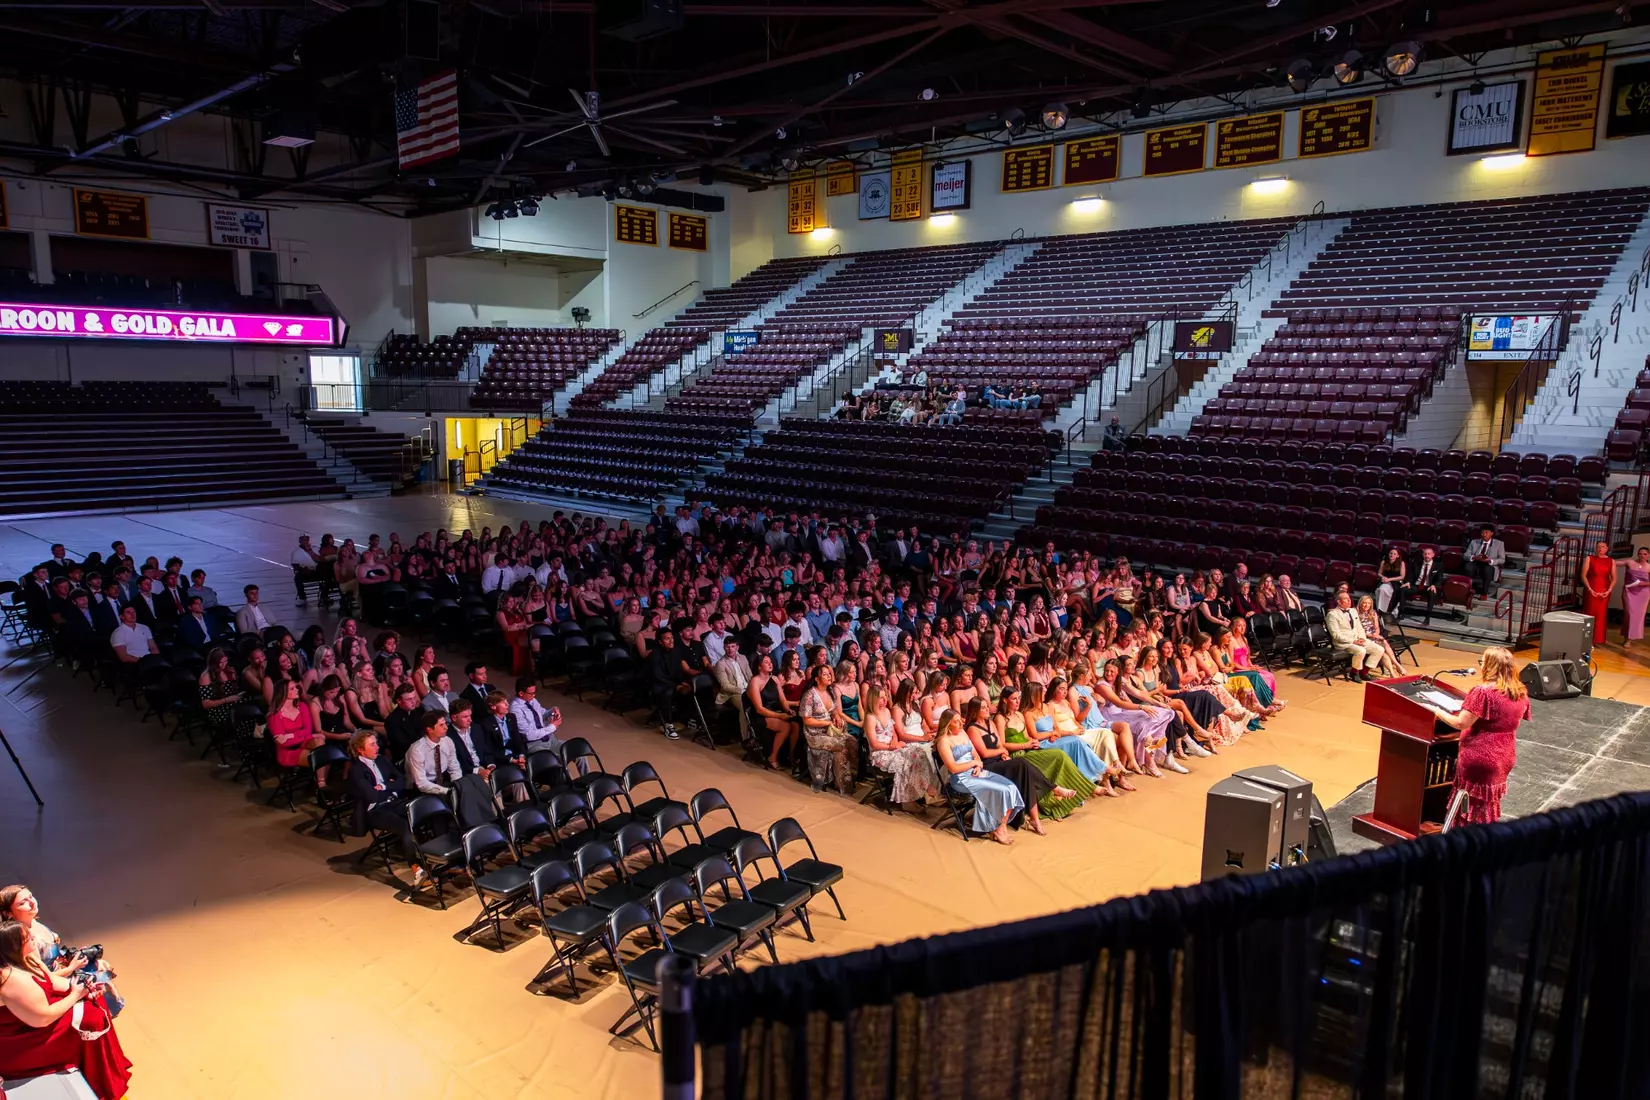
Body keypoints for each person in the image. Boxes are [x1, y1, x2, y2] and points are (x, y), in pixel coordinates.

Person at [0, 921, 132, 1100]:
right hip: (25, 1035)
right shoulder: (11, 979)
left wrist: (86, 988)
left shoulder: (29, 957)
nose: (32, 937)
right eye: (26, 938)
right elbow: (42, 1018)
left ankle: (109, 1071)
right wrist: (76, 995)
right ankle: (102, 1084)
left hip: (39, 1013)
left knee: (96, 1000)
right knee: (91, 1020)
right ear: (15, 946)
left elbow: (51, 982)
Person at [1423, 647, 1530, 825]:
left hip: (1480, 754)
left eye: (1482, 662)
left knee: (1467, 802)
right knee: (1486, 803)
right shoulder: (1519, 691)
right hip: (1504, 754)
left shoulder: (1483, 692)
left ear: (1490, 666)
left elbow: (1461, 723)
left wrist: (1437, 711)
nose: (1481, 666)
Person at [935, 708, 1024, 845]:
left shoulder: (963, 733)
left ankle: (1001, 825)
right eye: (956, 722)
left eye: (960, 720)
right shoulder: (944, 741)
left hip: (975, 771)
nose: (961, 724)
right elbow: (953, 768)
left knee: (1010, 786)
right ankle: (998, 828)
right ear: (947, 724)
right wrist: (972, 763)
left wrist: (977, 765)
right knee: (1002, 790)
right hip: (961, 778)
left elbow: (976, 754)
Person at [863, 684, 941, 811]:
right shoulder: (870, 718)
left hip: (893, 748)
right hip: (881, 752)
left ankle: (921, 791)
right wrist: (891, 746)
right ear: (874, 699)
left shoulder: (887, 712)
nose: (885, 700)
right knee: (909, 760)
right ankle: (919, 793)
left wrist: (895, 741)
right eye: (881, 698)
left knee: (918, 753)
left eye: (885, 697)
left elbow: (894, 733)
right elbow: (874, 744)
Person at [798, 664, 858, 794]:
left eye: (829, 674)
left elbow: (834, 710)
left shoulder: (830, 692)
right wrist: (826, 723)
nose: (829, 676)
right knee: (841, 745)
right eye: (825, 674)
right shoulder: (810, 695)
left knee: (851, 741)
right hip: (814, 733)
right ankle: (842, 784)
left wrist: (836, 717)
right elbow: (806, 719)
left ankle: (844, 780)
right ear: (816, 678)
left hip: (829, 730)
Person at [1325, 592, 1385, 682]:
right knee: (1361, 650)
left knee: (1379, 649)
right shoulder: (1332, 615)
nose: (1349, 600)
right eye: (1345, 599)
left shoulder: (1353, 611)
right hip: (1344, 642)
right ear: (1338, 601)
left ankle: (1364, 673)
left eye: (1349, 598)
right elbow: (1335, 634)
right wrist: (1353, 641)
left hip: (1357, 639)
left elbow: (1359, 627)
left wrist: (1362, 638)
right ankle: (1354, 673)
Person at [1581, 540, 1616, 646]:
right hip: (1591, 589)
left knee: (1601, 615)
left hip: (1605, 590)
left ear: (1607, 548)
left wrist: (1609, 590)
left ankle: (1596, 639)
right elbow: (1583, 575)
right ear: (1595, 548)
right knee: (1589, 613)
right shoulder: (1589, 558)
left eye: (1603, 547)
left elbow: (1614, 578)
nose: (1600, 549)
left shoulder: (1611, 561)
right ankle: (1586, 639)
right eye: (1598, 547)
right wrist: (1590, 589)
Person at [1401, 546, 1443, 625]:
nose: (1427, 556)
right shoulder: (1416, 564)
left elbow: (1440, 579)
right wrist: (1408, 582)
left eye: (1428, 554)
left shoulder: (1438, 566)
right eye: (1425, 554)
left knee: (1432, 593)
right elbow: (1410, 575)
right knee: (1403, 589)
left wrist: (1435, 585)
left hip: (1428, 587)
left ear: (1433, 555)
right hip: (1417, 586)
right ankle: (1401, 613)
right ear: (1423, 555)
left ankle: (1427, 617)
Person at [1465, 525, 1506, 599]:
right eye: (1482, 533)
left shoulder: (1499, 544)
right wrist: (1474, 557)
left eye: (1486, 532)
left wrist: (1490, 560)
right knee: (1468, 567)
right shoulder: (1474, 542)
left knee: (1487, 570)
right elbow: (1466, 555)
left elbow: (1502, 560)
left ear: (1492, 533)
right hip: (1476, 562)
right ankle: (1468, 589)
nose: (1484, 534)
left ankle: (1484, 593)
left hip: (1489, 564)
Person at [1623, 546, 1650, 644]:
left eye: (1645, 554)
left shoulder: (1649, 567)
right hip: (1629, 591)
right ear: (1637, 554)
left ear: (1648, 555)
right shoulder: (1631, 562)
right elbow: (1612, 563)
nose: (1642, 555)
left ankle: (1629, 639)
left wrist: (1643, 584)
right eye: (1640, 553)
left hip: (1643, 593)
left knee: (1637, 617)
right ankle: (1627, 637)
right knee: (1629, 614)